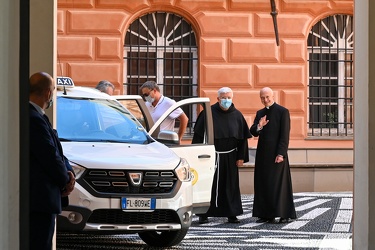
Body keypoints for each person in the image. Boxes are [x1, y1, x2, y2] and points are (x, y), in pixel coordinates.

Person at [29, 72, 76, 250]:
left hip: (43, 200)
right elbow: (49, 156)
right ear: (48, 93)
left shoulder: (39, 117)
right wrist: (66, 181)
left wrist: (68, 172)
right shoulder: (34, 119)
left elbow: (58, 153)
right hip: (40, 200)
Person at [192, 87, 251, 224]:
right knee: (208, 184)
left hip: (230, 156)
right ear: (218, 99)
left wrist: (241, 157)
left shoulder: (237, 115)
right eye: (223, 97)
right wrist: (196, 155)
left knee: (230, 185)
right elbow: (198, 136)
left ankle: (232, 213)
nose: (226, 100)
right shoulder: (208, 113)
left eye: (229, 97)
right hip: (211, 156)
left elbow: (243, 139)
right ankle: (203, 213)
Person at [250, 87, 297, 224]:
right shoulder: (260, 113)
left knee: (279, 185)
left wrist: (281, 153)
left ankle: (284, 214)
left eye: (267, 97)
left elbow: (284, 135)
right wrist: (260, 125)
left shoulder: (283, 112)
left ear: (272, 96)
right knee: (263, 184)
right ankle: (266, 214)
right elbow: (253, 131)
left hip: (277, 155)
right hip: (263, 155)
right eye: (262, 98)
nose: (265, 100)